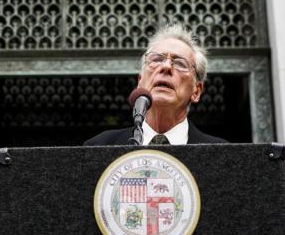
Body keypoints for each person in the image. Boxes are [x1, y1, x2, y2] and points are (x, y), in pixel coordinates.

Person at [84, 23, 225, 145]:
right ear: (140, 82)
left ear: (196, 91)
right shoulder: (99, 146)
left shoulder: (222, 154)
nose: (166, 67)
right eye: (157, 59)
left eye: (180, 63)